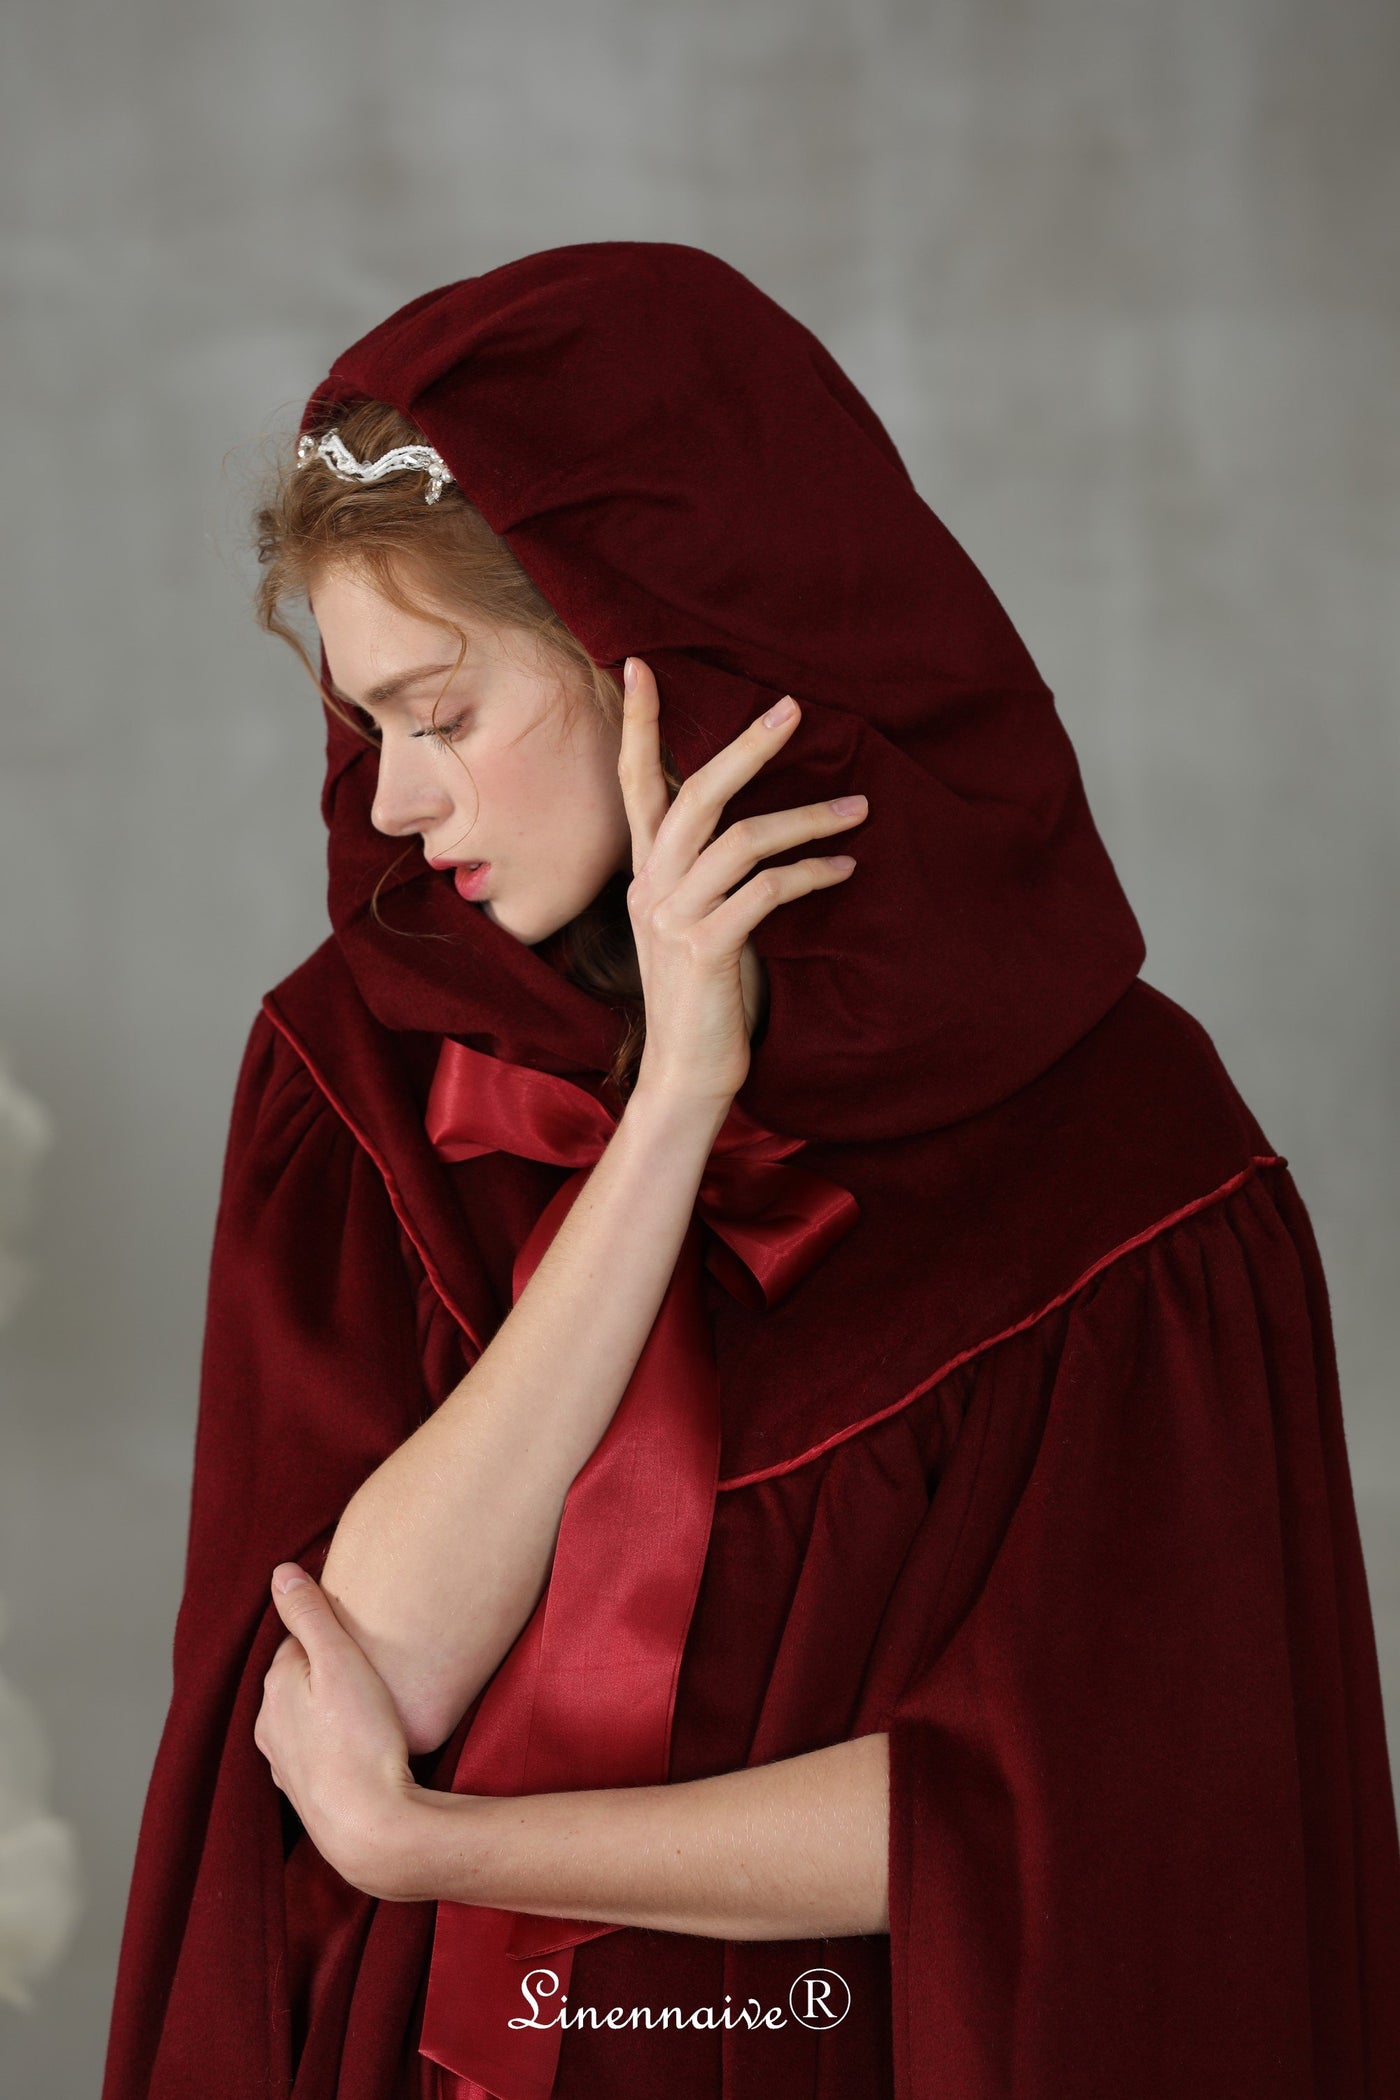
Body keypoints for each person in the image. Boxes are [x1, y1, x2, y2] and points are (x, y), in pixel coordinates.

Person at [102, 241, 1400, 2100]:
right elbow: (364, 1671)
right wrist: (670, 1112)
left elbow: (1078, 1803)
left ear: (664, 655)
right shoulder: (362, 1078)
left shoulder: (1124, 1155)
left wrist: (445, 1847)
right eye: (364, 722)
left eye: (442, 714)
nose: (391, 800)